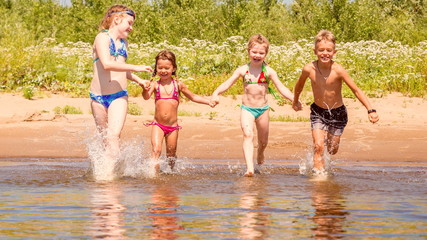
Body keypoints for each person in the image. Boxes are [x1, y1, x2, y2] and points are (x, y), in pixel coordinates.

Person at [292, 29, 379, 176]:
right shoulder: (309, 68)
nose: (325, 53)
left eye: (328, 50)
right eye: (321, 50)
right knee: (318, 146)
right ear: (315, 51)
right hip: (318, 112)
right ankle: (319, 179)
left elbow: (356, 90)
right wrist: (295, 101)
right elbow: (299, 85)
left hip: (338, 113)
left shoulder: (338, 70)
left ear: (334, 52)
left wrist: (370, 109)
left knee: (332, 149)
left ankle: (324, 147)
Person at [211, 34, 299, 177]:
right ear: (249, 52)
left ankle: (260, 153)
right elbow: (228, 83)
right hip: (247, 109)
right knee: (248, 134)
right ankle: (250, 168)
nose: (257, 55)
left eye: (261, 53)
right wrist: (216, 93)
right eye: (254, 52)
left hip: (263, 110)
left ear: (266, 54)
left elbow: (281, 87)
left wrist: (294, 100)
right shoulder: (243, 70)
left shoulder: (269, 71)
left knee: (263, 141)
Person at [90, 4, 152, 180]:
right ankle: (108, 171)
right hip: (97, 97)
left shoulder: (124, 43)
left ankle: (107, 178)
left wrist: (139, 80)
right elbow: (107, 64)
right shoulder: (102, 38)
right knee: (105, 140)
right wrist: (138, 68)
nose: (131, 28)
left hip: (118, 96)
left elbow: (121, 69)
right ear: (117, 19)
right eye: (129, 23)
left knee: (113, 135)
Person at [142, 50, 216, 173]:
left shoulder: (178, 85)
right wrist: (144, 89)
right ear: (156, 68)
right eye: (160, 68)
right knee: (156, 150)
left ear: (173, 68)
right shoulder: (155, 85)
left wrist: (208, 102)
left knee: (171, 155)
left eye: (167, 68)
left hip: (173, 127)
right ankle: (153, 174)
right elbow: (145, 97)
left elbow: (193, 97)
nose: (163, 70)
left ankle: (170, 173)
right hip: (158, 125)